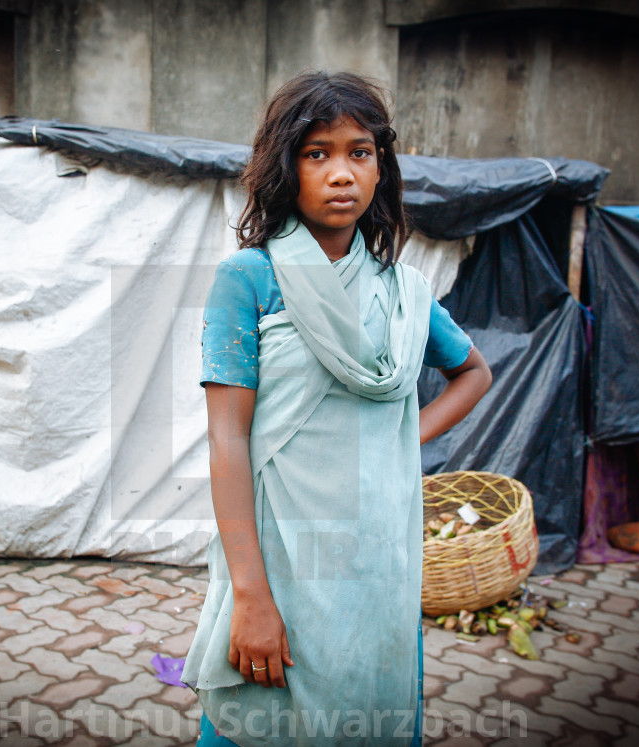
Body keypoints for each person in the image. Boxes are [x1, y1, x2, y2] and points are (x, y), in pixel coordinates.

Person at [181, 71, 492, 746]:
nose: (341, 172)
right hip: (282, 565)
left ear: (382, 167)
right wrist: (253, 598)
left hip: (378, 565)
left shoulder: (404, 292)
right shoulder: (250, 280)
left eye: (360, 151)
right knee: (262, 723)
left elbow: (473, 372)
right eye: (317, 153)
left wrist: (404, 444)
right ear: (285, 167)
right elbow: (228, 441)